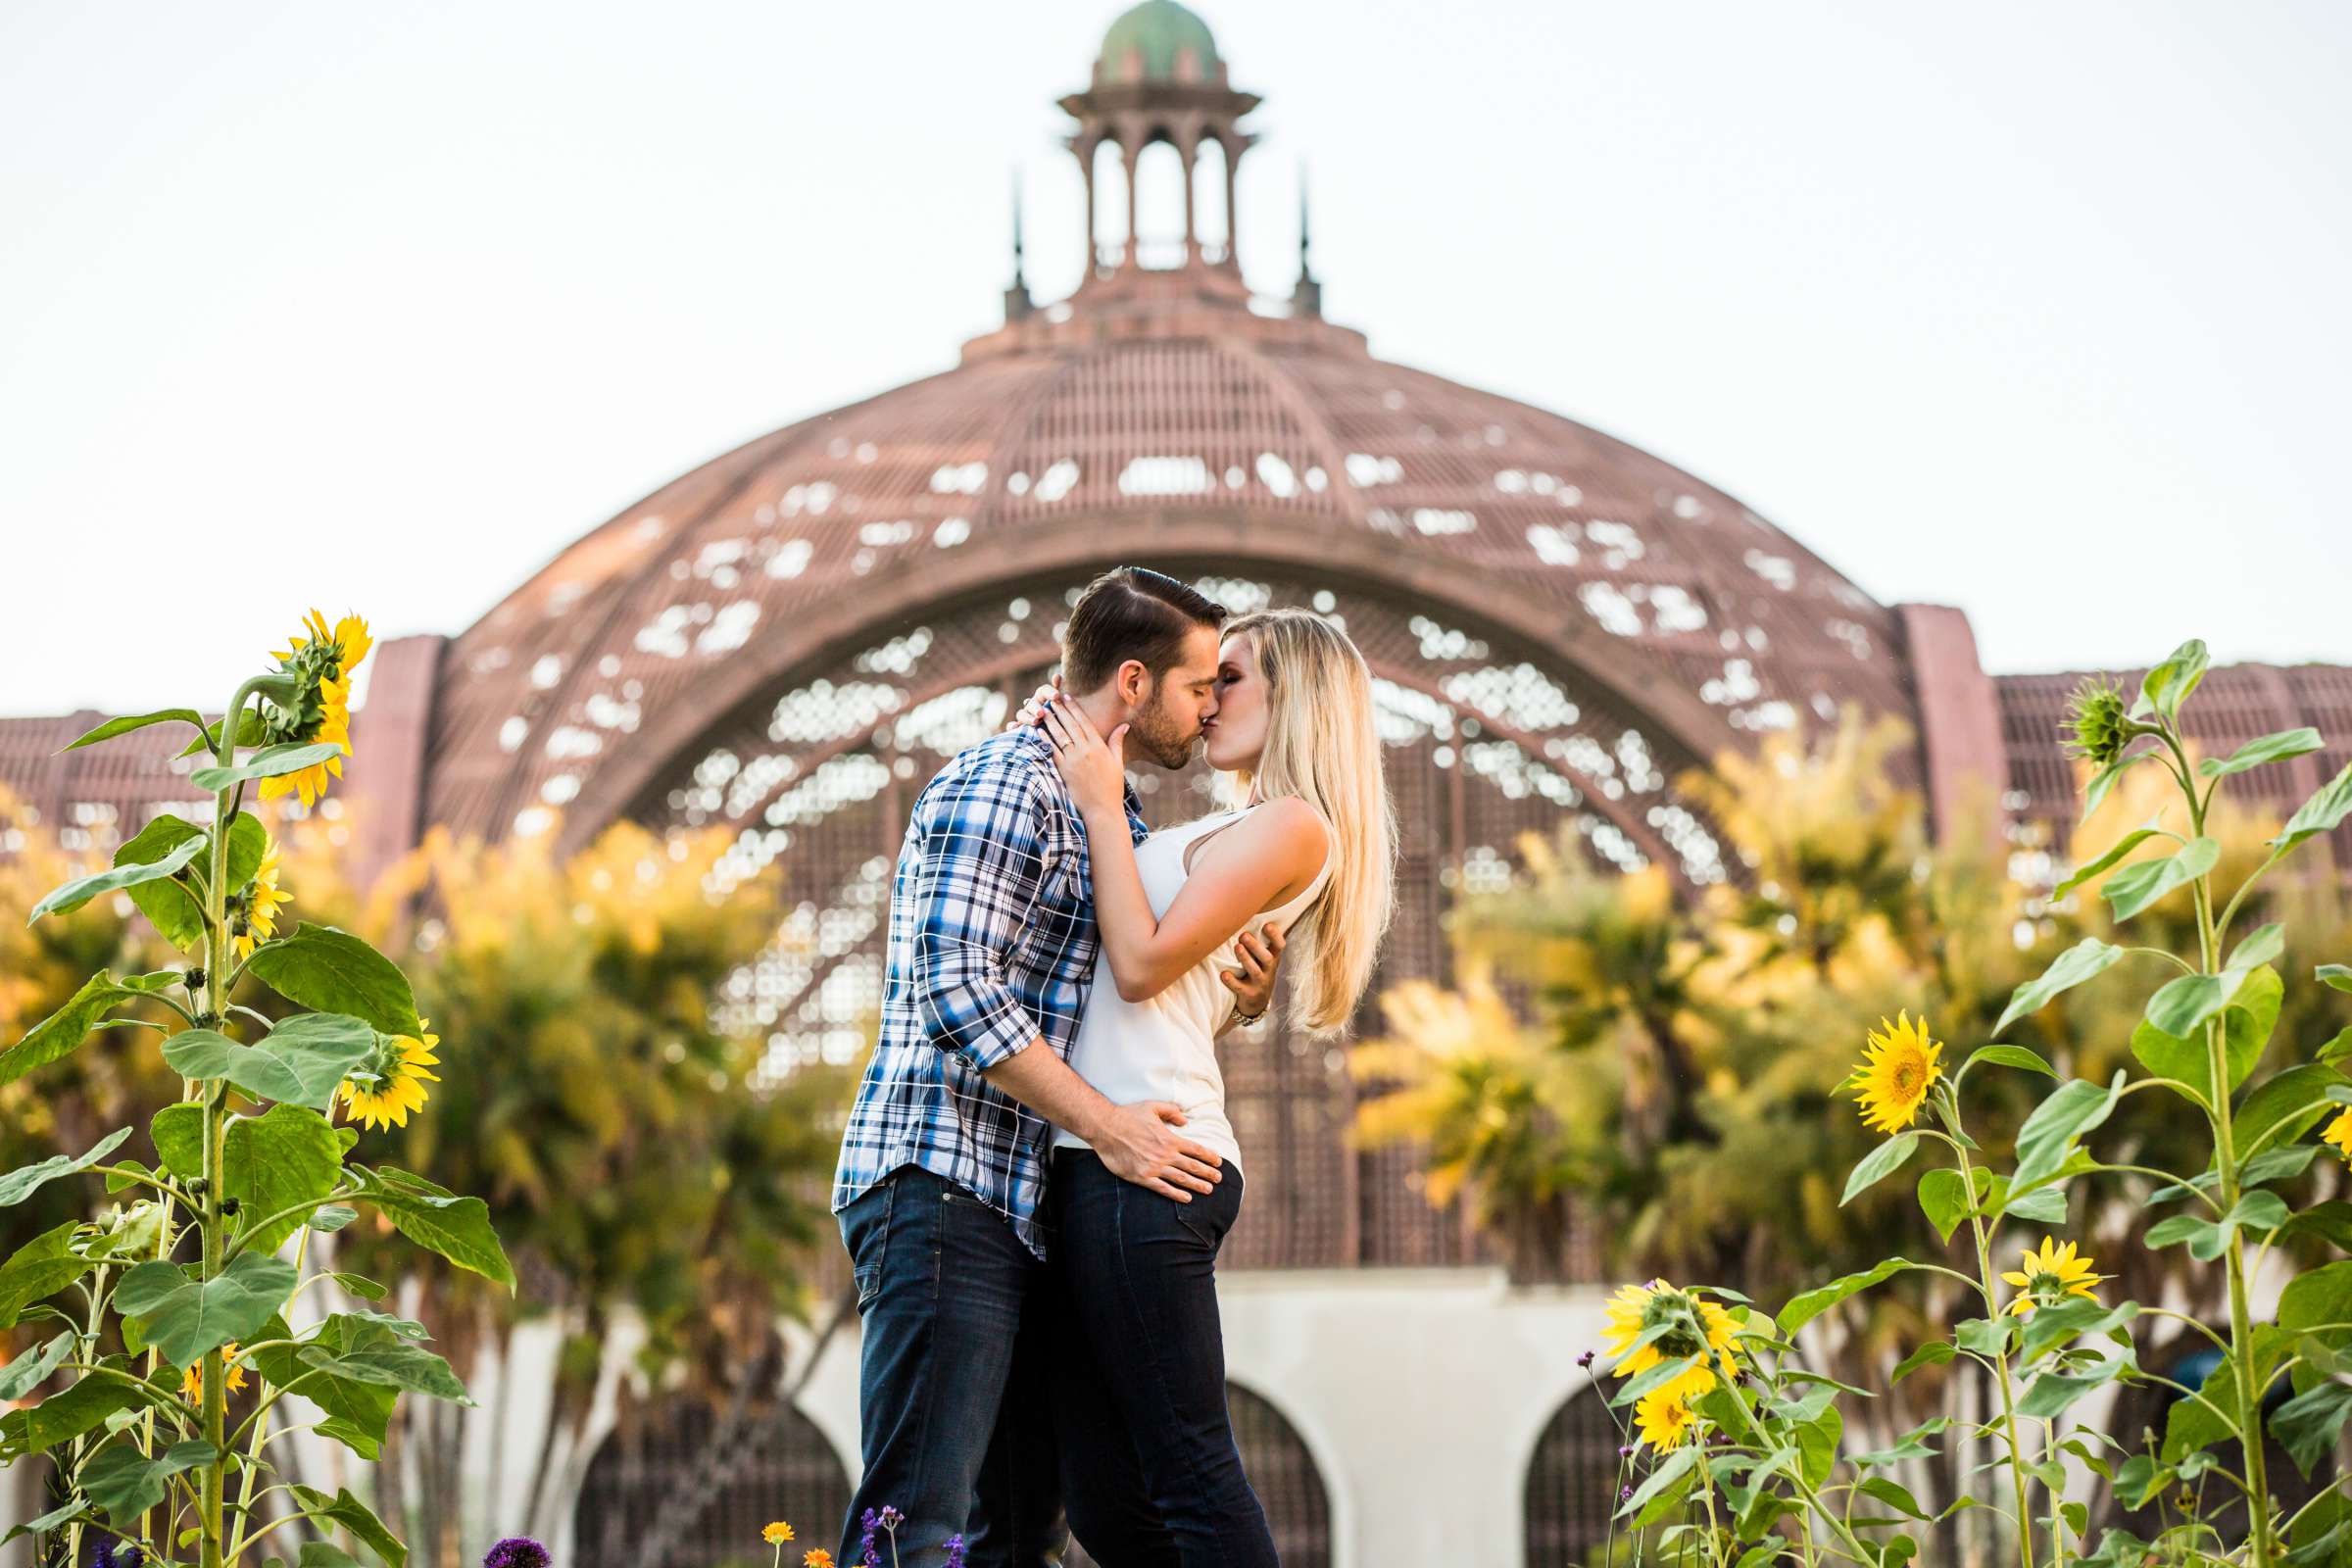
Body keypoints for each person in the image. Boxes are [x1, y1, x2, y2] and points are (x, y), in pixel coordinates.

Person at [830, 567, 1289, 1568]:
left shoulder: (1105, 812)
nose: (1211, 705)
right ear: (1133, 682)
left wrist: (1243, 997)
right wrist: (1112, 1123)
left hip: (1020, 1206)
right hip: (941, 1184)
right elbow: (954, 990)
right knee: (913, 1521)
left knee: (1010, 1532)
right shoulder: (1007, 784)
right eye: (1199, 683)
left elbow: (1142, 977)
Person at [1033, 607, 1397, 1567]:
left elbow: (1141, 967)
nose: (1205, 692)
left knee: (1190, 1470)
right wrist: (1244, 1002)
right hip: (1093, 1155)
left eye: (1228, 676)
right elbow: (1180, 988)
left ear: (1297, 699)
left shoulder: (1292, 823)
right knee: (1105, 1505)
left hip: (1150, 1169)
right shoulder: (1233, 825)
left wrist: (1102, 802)